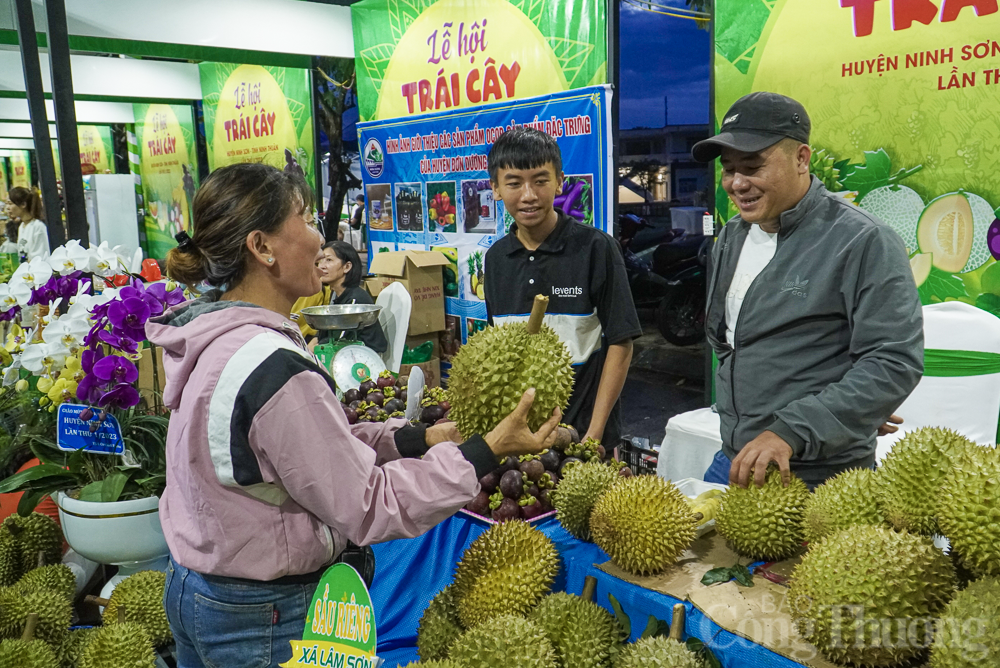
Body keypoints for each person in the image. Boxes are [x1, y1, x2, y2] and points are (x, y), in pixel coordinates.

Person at [148, 163, 560, 668]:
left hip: (197, 590)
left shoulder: (212, 339)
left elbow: (302, 452)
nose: (320, 240)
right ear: (262, 247)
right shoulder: (272, 366)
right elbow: (369, 506)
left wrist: (418, 439)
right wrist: (484, 452)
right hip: (264, 617)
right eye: (305, 219)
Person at [691, 92, 923, 490]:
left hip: (822, 476)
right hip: (735, 458)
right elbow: (733, 345)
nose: (737, 183)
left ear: (801, 158)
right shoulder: (732, 236)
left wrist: (803, 427)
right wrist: (851, 411)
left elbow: (892, 361)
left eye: (753, 166)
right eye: (728, 169)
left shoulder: (862, 239)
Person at [484, 128, 642, 447]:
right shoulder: (496, 259)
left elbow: (621, 342)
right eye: (514, 183)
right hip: (521, 437)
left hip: (583, 433)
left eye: (540, 180)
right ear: (496, 188)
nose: (529, 195)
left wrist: (594, 434)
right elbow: (500, 353)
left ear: (559, 182)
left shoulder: (595, 248)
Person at [291, 240, 388, 353]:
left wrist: (312, 350)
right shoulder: (334, 293)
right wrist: (313, 343)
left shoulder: (355, 300)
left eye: (329, 260)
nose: (321, 266)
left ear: (347, 267)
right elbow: (327, 331)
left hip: (362, 357)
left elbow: (340, 340)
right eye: (321, 260)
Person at [6, 187, 49, 261]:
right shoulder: (22, 226)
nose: (7, 207)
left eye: (10, 204)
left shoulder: (38, 226)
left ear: (23, 204)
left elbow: (40, 258)